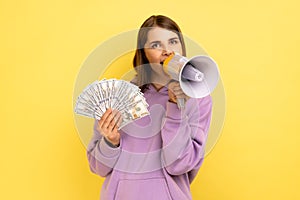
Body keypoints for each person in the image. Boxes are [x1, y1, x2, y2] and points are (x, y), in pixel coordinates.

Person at [87, 15, 212, 200]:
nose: (167, 51)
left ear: (182, 47)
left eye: (173, 41)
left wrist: (175, 107)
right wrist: (110, 142)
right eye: (156, 45)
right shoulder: (118, 97)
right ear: (143, 53)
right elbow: (98, 167)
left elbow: (179, 165)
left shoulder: (198, 99)